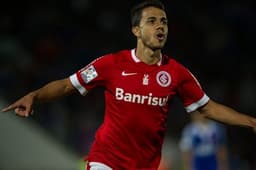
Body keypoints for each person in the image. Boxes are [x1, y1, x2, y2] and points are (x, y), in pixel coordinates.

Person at [1, 0, 256, 169]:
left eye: (164, 22)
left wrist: (252, 122)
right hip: (106, 161)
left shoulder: (177, 73)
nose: (160, 27)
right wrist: (35, 95)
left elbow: (208, 108)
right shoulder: (111, 64)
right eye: (152, 21)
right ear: (136, 30)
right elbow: (68, 85)